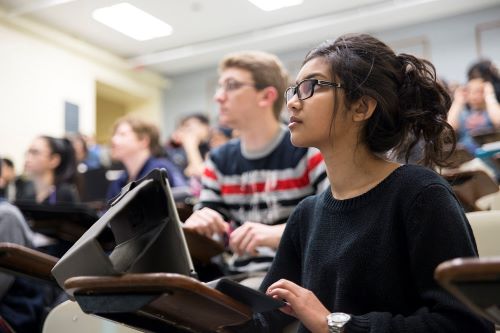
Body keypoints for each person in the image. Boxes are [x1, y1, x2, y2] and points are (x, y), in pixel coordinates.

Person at [235, 33, 494, 332]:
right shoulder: (306, 214)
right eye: (293, 90)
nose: (292, 103)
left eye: (311, 87)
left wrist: (335, 325)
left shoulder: (421, 194)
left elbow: (466, 324)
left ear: (362, 107)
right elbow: (265, 316)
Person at [184, 51, 328, 277]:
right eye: (219, 87)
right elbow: (212, 233)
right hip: (239, 279)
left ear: (266, 96)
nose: (219, 97)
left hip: (298, 277)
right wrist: (200, 223)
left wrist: (278, 234)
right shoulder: (218, 160)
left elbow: (333, 223)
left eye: (231, 86)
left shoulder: (308, 151)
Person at [106, 116, 187, 201]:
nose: (113, 140)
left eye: (122, 134)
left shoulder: (158, 169)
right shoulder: (120, 180)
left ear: (143, 140)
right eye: (114, 135)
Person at [17, 135, 79, 204]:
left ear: (54, 160)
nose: (27, 159)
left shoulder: (64, 195)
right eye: (28, 153)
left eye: (35, 152)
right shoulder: (27, 195)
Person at [447, 77, 500, 153]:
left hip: (489, 154)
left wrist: (490, 96)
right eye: (469, 91)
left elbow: (498, 121)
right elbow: (449, 127)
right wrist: (457, 101)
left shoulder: (492, 110)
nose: (473, 95)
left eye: (478, 91)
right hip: (467, 155)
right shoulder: (464, 114)